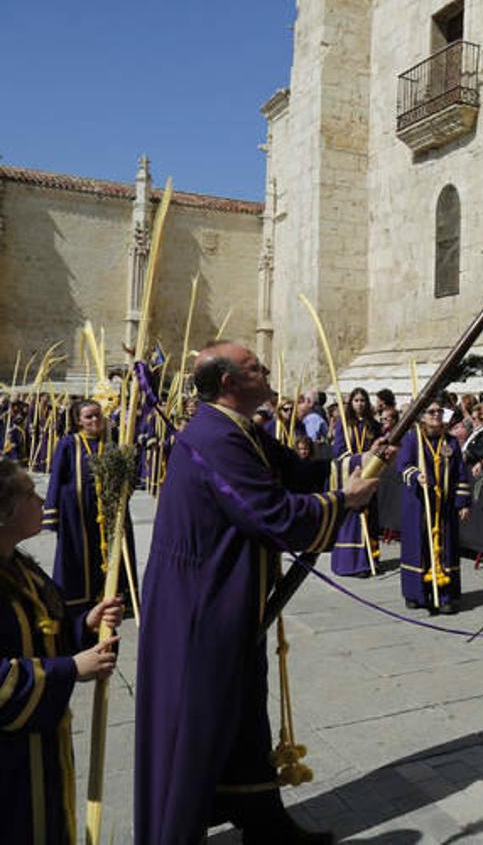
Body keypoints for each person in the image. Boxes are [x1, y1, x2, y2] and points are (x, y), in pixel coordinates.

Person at [134, 341, 381, 844]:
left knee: (245, 712)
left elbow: (298, 471)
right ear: (229, 382)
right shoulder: (214, 437)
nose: (266, 371)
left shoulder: (240, 429)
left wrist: (366, 460)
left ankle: (264, 824)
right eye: (255, 367)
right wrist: (344, 500)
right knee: (199, 723)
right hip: (202, 606)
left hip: (232, 600)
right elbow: (273, 515)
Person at [0, 459, 124, 844]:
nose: (41, 501)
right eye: (29, 494)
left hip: (42, 754)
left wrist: (84, 625)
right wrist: (70, 669)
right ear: (4, 512)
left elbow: (43, 633)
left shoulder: (21, 568)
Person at [42, 399, 138, 612]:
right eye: (89, 416)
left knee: (111, 552)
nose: (95, 419)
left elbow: (128, 476)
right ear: (78, 421)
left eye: (98, 415)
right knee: (80, 555)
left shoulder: (113, 441)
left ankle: (112, 595)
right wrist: (51, 514)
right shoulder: (69, 443)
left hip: (109, 509)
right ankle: (80, 603)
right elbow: (57, 478)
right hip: (77, 511)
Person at [397, 404, 471, 614]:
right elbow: (402, 465)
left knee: (446, 548)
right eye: (431, 412)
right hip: (419, 504)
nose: (437, 415)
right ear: (422, 416)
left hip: (444, 505)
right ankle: (415, 593)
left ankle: (445, 595)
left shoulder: (451, 442)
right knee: (418, 546)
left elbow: (460, 473)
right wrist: (416, 475)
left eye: (439, 411)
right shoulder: (413, 439)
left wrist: (463, 502)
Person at [330, 388, 383, 577]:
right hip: (350, 476)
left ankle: (368, 560)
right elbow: (338, 452)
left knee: (369, 518)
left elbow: (379, 448)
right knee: (351, 520)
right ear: (351, 403)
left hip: (369, 475)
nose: (359, 404)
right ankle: (350, 563)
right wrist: (359, 459)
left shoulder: (373, 425)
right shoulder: (343, 425)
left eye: (362, 400)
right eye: (356, 400)